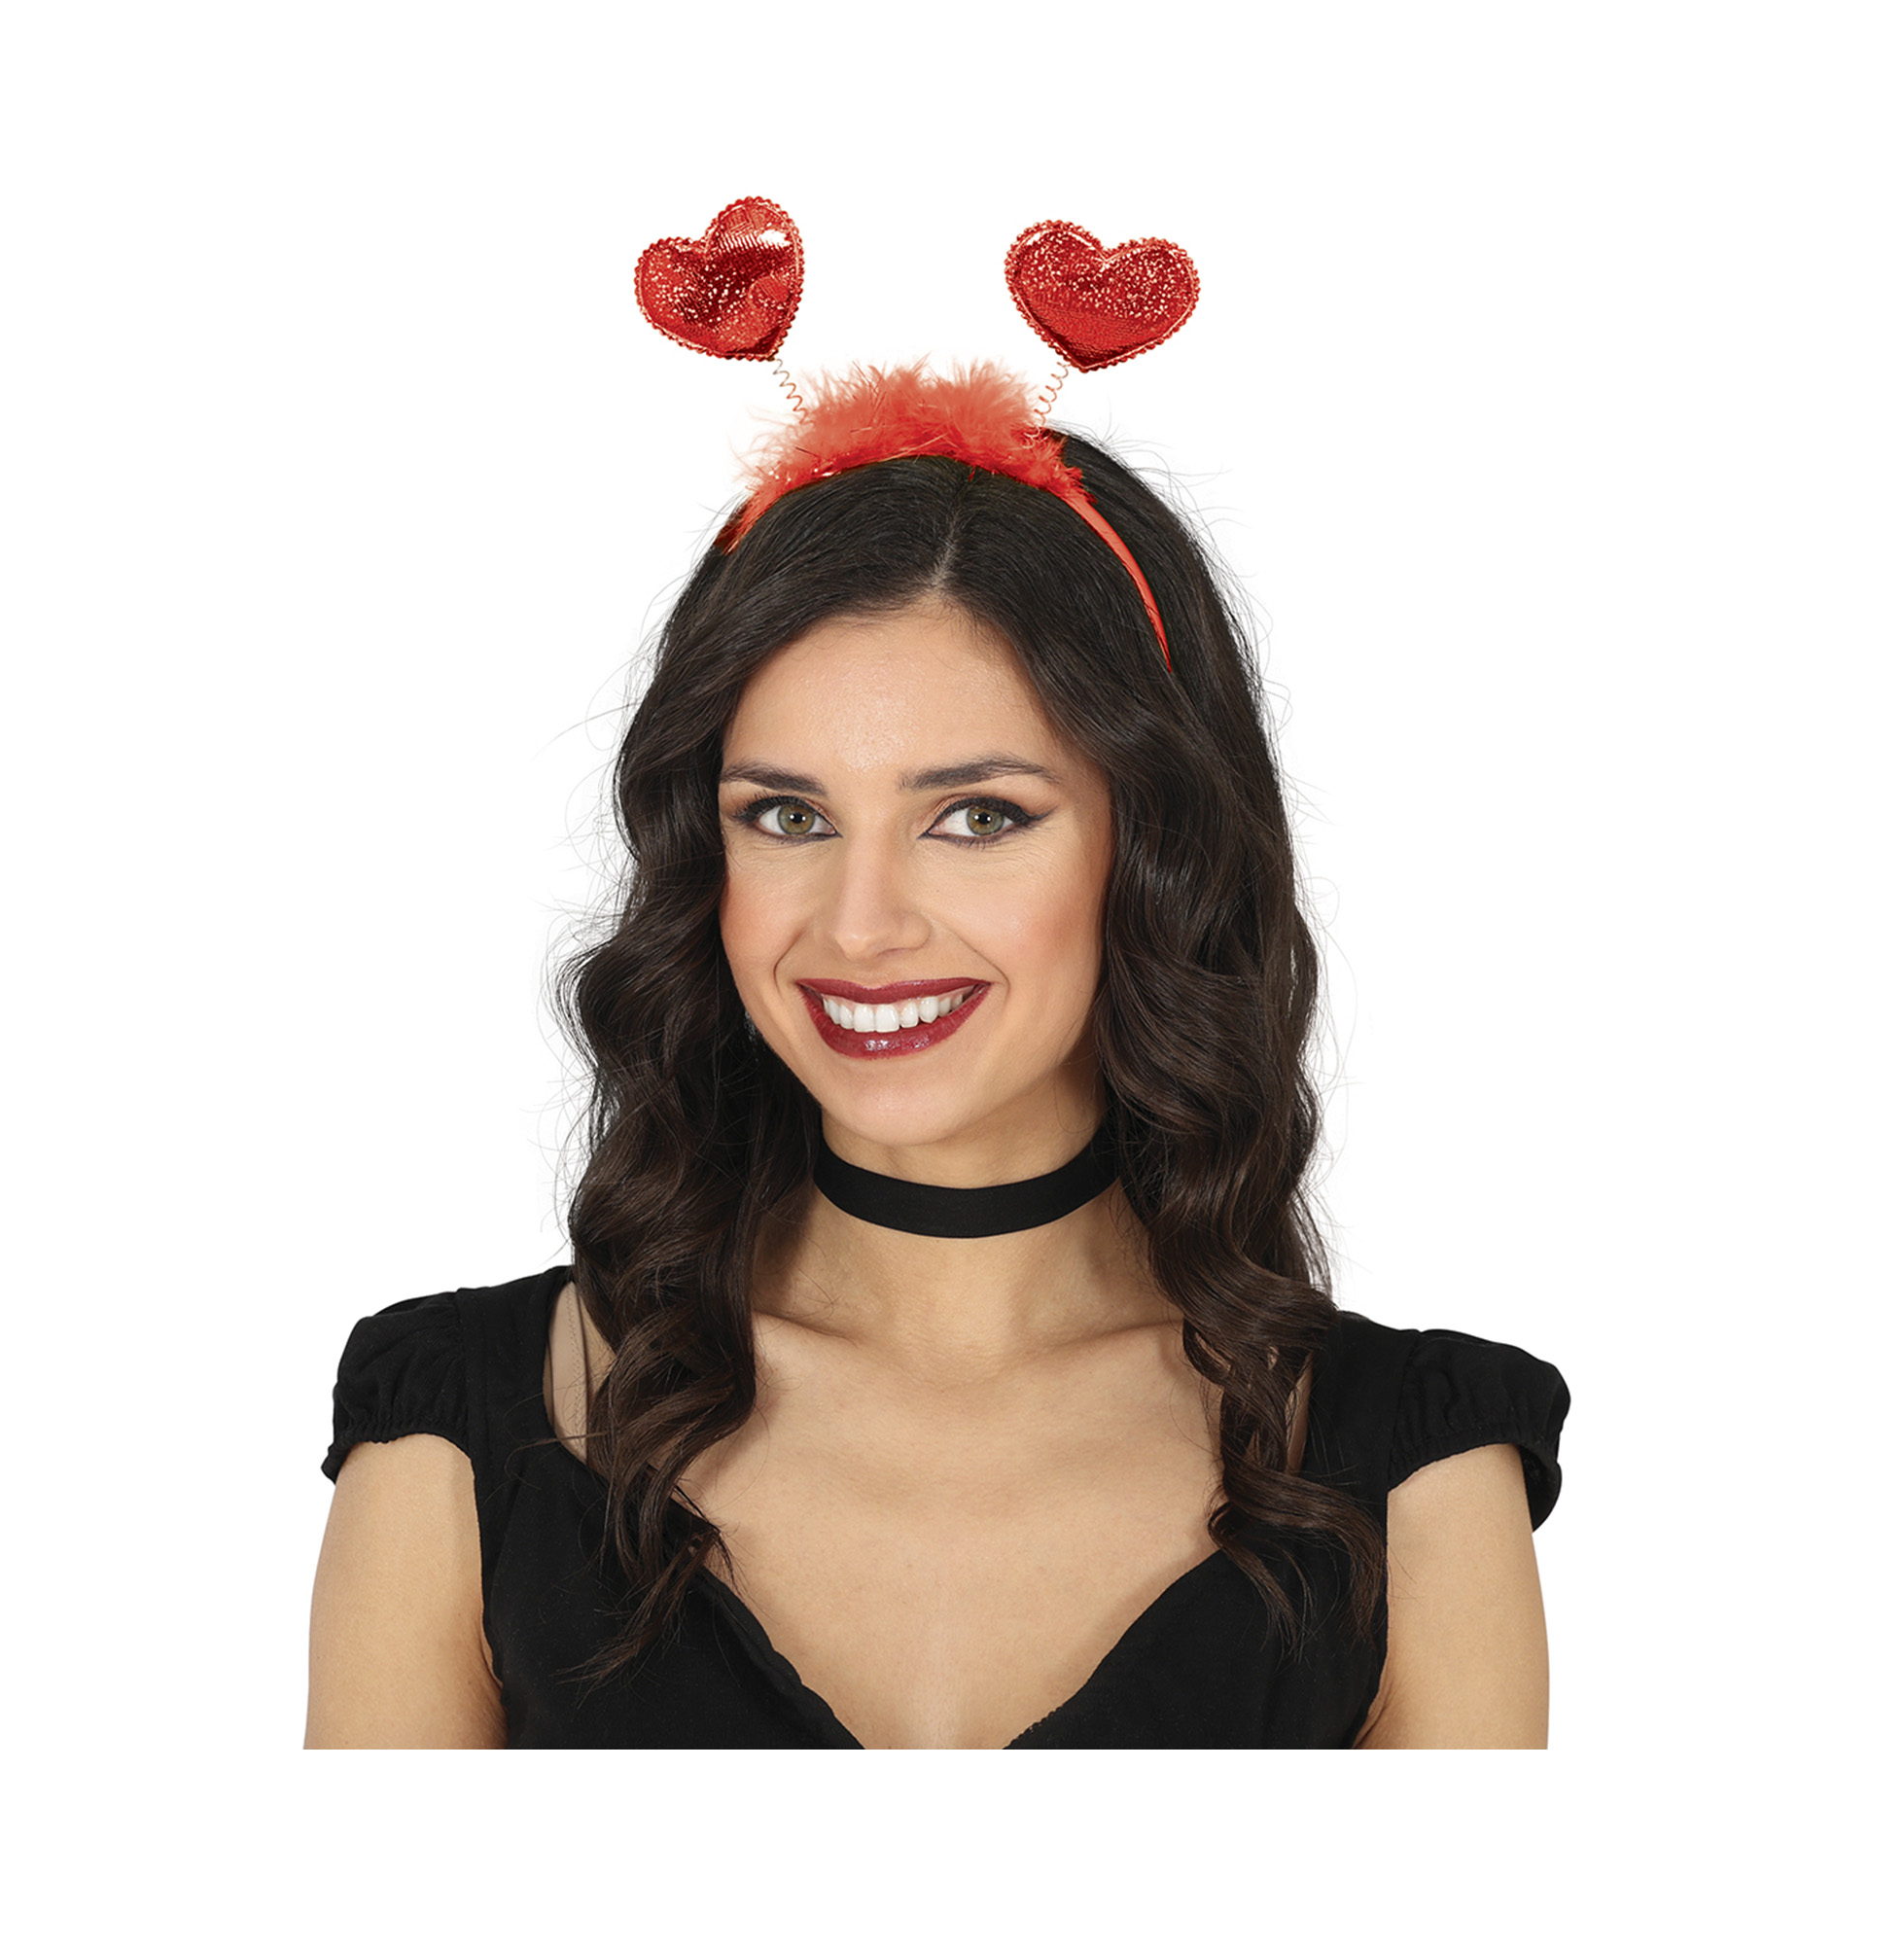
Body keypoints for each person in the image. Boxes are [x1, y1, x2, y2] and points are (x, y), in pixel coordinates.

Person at [304, 364, 1569, 1750]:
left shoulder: (1418, 1481)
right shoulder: (457, 1443)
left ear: (1157, 848)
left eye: (977, 818)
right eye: (788, 817)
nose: (860, 926)